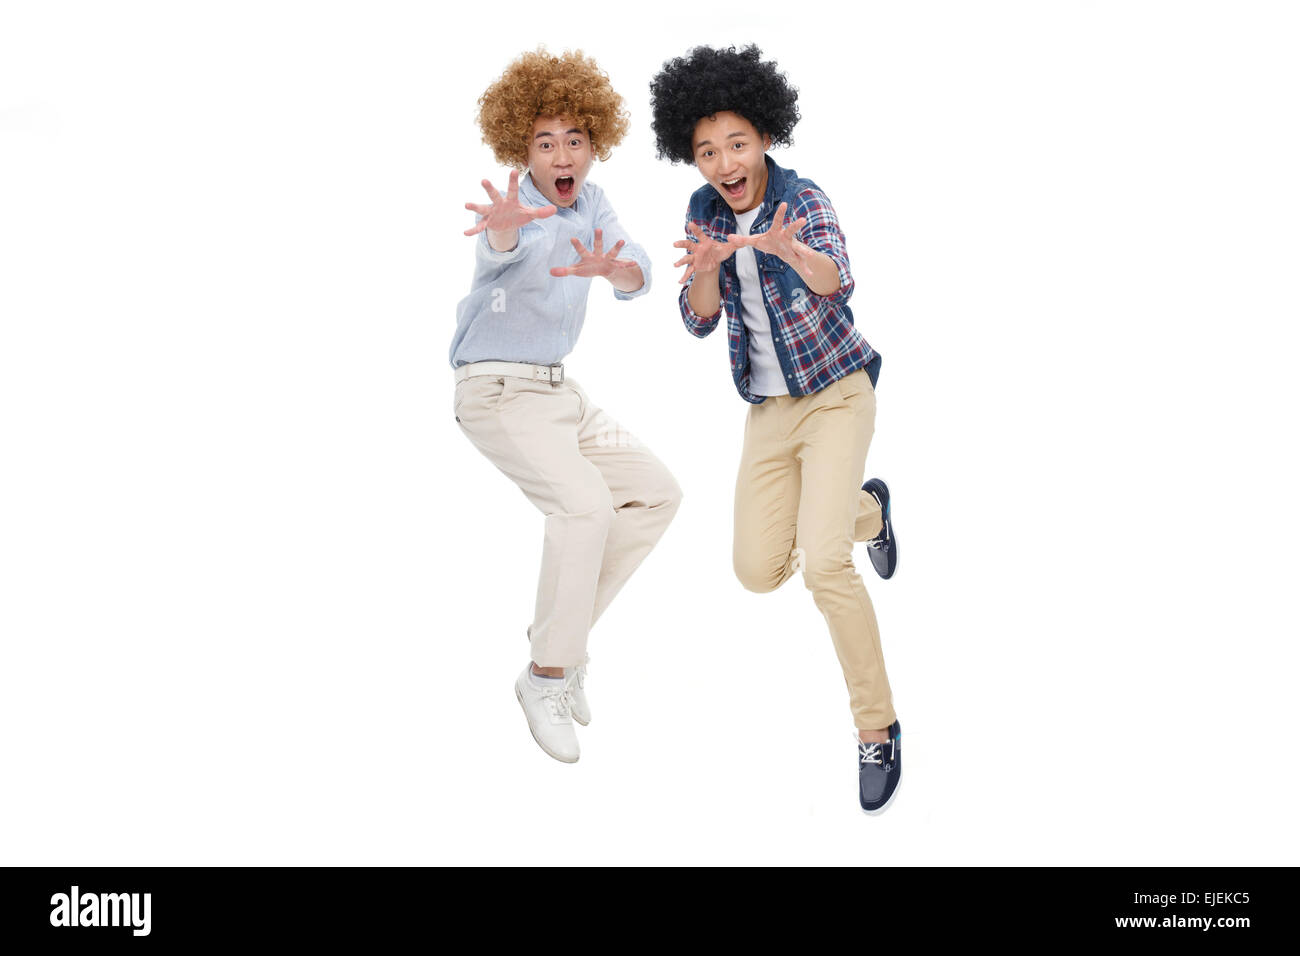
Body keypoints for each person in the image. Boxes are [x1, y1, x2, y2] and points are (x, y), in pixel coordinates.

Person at [649, 44, 902, 812]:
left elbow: (838, 280)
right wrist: (704, 267)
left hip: (836, 394)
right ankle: (871, 510)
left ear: (763, 136)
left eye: (736, 142)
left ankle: (877, 725)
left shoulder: (803, 200)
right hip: (767, 411)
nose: (724, 162)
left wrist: (796, 253)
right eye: (705, 151)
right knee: (758, 571)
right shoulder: (702, 214)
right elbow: (697, 320)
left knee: (824, 565)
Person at [450, 49, 682, 764]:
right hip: (495, 389)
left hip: (558, 391)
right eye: (545, 141)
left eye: (574, 140)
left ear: (592, 145)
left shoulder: (591, 201)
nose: (561, 154)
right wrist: (506, 229)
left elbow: (637, 267)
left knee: (653, 495)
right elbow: (499, 247)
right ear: (523, 146)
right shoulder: (516, 205)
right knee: (585, 508)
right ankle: (547, 674)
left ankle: (560, 643)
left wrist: (615, 268)